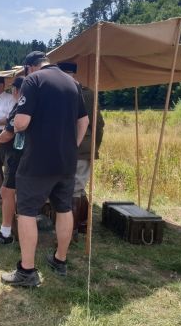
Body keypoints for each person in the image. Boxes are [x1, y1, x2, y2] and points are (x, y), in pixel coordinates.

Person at [1, 51, 89, 287]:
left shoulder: (33, 80)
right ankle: (60, 260)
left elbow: (21, 123)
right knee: (63, 209)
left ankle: (27, 271)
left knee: (27, 212)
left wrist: (17, 122)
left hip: (37, 161)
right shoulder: (72, 83)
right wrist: (73, 146)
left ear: (30, 67)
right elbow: (84, 122)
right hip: (66, 161)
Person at [58, 62, 105, 242]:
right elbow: (98, 125)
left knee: (74, 190)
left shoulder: (80, 93)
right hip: (78, 148)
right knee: (76, 188)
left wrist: (92, 148)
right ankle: (82, 223)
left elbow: (97, 125)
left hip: (73, 149)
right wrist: (93, 147)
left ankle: (73, 230)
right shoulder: (86, 93)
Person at [0, 76, 24, 245]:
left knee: (7, 191)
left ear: (16, 90)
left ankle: (6, 232)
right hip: (27, 154)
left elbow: (9, 131)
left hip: (16, 153)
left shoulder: (21, 106)